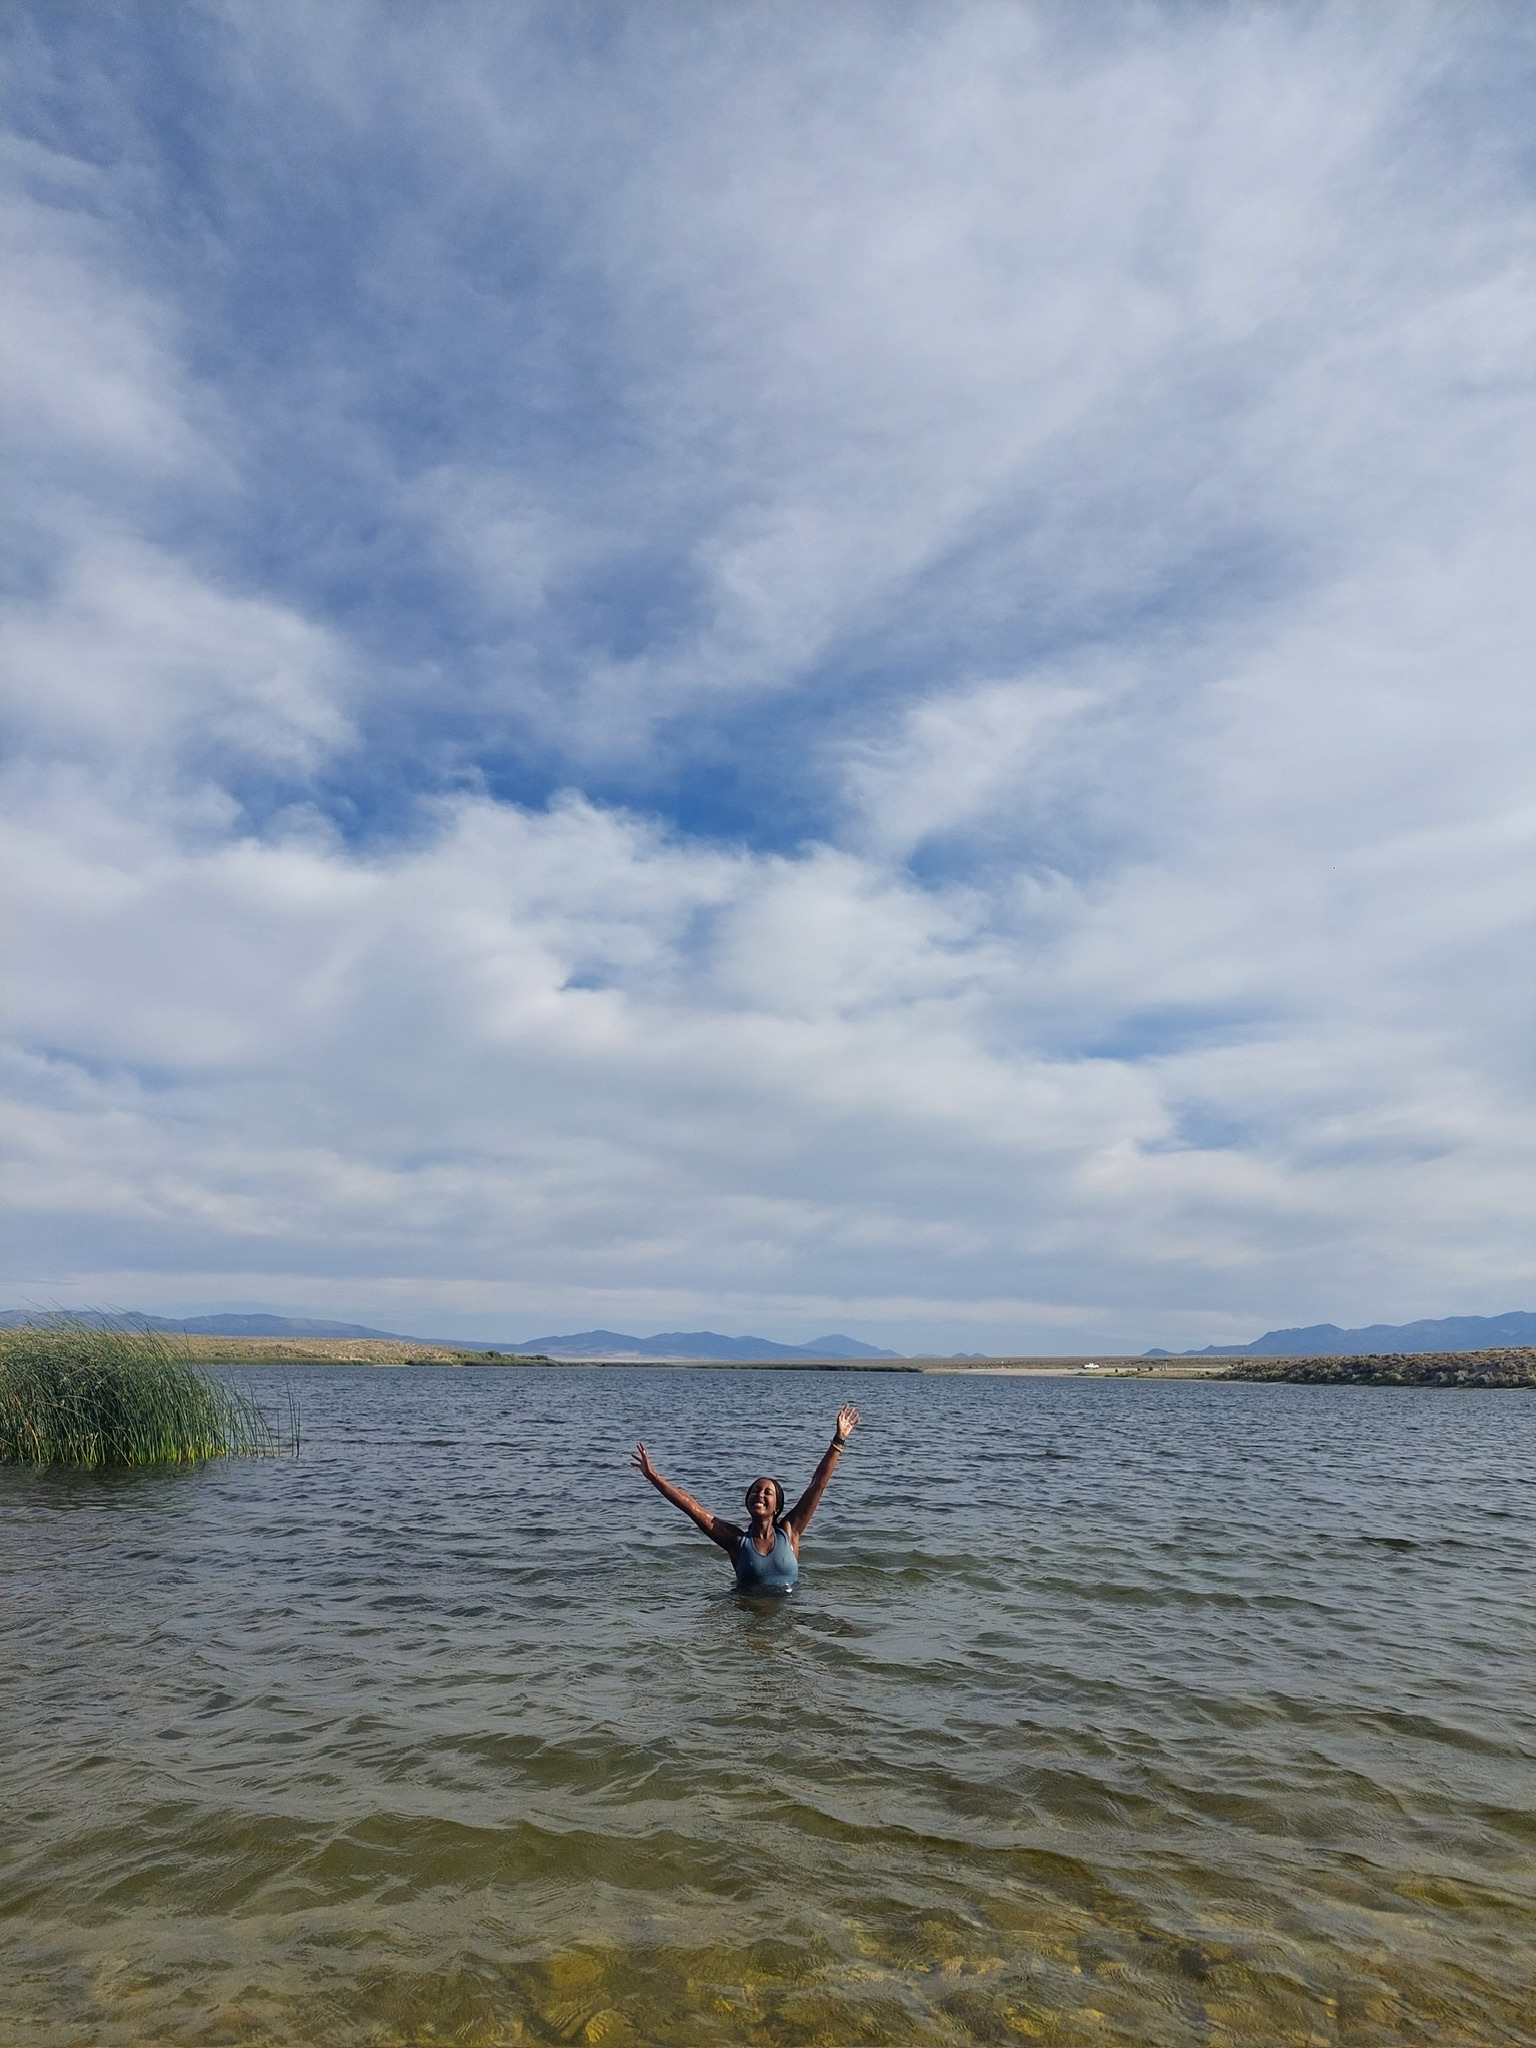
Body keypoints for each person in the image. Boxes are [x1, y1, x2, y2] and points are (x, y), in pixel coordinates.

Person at [631, 1403, 860, 1594]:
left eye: (767, 1492)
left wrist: (838, 1440)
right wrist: (653, 1477)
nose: (760, 1494)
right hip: (746, 1615)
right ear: (747, 1500)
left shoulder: (791, 1531)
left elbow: (817, 1484)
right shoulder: (736, 1542)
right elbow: (690, 1506)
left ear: (777, 1506)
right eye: (755, 1491)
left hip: (785, 1615)